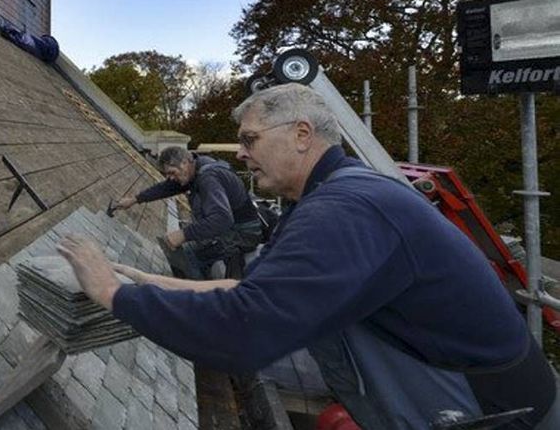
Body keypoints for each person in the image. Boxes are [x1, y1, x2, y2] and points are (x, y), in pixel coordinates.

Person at [59, 83, 558, 428]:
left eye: (250, 140)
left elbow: (245, 328)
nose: (241, 153)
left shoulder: (347, 209)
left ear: (302, 135)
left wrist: (109, 292)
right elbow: (248, 291)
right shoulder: (327, 200)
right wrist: (145, 279)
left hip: (494, 415)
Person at [113, 146, 261, 279]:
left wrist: (183, 234)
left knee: (188, 255)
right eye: (167, 174)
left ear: (184, 163)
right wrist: (135, 199)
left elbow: (221, 219)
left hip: (243, 234)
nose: (170, 177)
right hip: (231, 230)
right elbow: (167, 187)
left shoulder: (208, 178)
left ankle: (199, 299)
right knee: (191, 248)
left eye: (172, 172)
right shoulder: (196, 169)